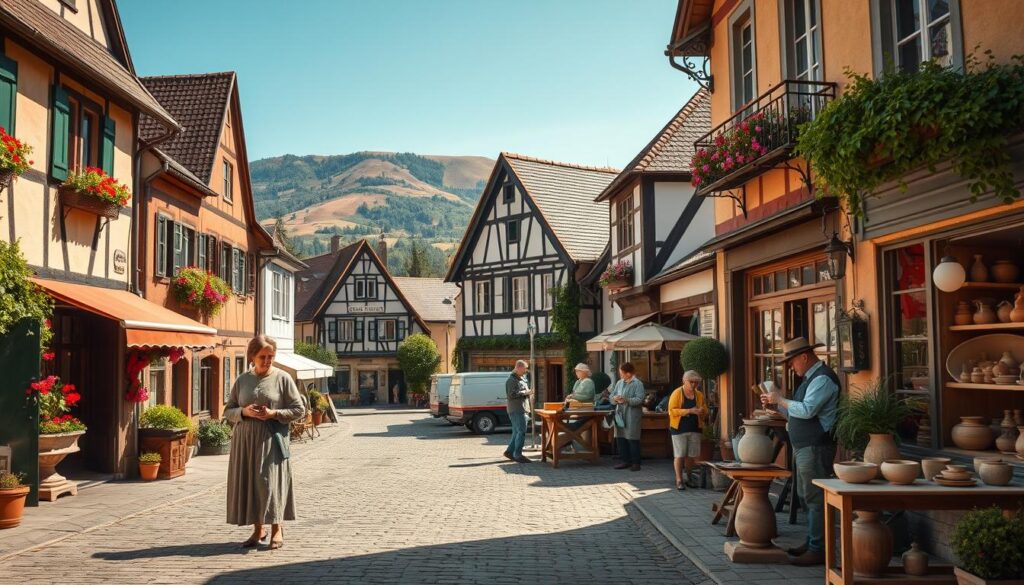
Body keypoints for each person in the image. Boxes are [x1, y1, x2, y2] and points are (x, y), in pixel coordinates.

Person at [761, 336, 840, 566]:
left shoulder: (823, 379)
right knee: (807, 496)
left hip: (815, 446)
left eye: (792, 361)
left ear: (804, 357)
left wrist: (781, 400)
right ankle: (813, 542)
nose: (791, 367)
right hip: (806, 446)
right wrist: (777, 404)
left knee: (814, 499)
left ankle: (818, 549)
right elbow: (797, 413)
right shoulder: (811, 378)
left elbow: (806, 411)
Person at [225, 335, 306, 550]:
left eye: (271, 356)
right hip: (244, 442)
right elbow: (228, 411)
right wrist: (243, 411)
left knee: (269, 483)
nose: (268, 360)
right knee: (251, 483)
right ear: (252, 356)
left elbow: (299, 410)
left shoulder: (283, 378)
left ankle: (277, 529)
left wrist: (273, 413)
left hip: (271, 441)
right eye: (263, 356)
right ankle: (258, 529)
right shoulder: (242, 380)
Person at [668, 370, 707, 490]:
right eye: (691, 382)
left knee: (691, 455)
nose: (694, 385)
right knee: (679, 455)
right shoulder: (677, 393)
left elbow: (705, 408)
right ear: (684, 381)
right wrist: (689, 411)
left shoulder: (699, 394)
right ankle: (679, 480)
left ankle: (689, 478)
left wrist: (702, 410)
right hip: (679, 429)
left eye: (696, 382)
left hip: (695, 428)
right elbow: (671, 411)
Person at [610, 362, 645, 471]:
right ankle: (625, 461)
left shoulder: (637, 384)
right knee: (621, 438)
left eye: (622, 373)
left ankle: (636, 463)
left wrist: (626, 400)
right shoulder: (619, 383)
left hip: (632, 415)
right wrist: (615, 399)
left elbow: (640, 399)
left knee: (632, 438)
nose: (620, 375)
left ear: (629, 374)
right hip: (620, 414)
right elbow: (612, 396)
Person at [503, 360, 534, 463]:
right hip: (516, 409)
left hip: (522, 409)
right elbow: (511, 395)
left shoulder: (521, 379)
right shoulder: (511, 380)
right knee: (521, 432)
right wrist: (526, 392)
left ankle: (509, 452)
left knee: (517, 432)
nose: (526, 371)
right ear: (519, 368)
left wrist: (527, 392)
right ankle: (518, 455)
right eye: (525, 368)